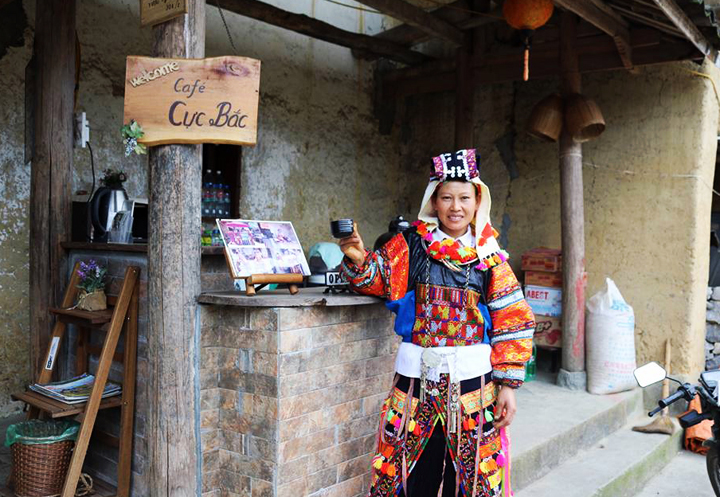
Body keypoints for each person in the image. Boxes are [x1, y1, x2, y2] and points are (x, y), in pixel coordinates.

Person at [339, 149, 535, 497]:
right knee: (404, 473)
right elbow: (377, 279)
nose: (455, 207)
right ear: (434, 201)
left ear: (477, 201)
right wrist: (357, 257)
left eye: (463, 197)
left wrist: (508, 386)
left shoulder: (490, 256)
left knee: (474, 480)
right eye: (446, 197)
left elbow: (513, 321)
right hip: (415, 383)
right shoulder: (411, 245)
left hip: (473, 386)